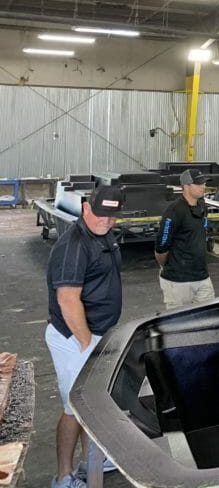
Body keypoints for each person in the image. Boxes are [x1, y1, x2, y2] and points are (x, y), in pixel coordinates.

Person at [45, 185, 125, 488]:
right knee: (74, 409)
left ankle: (90, 459)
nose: (106, 221)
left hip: (95, 336)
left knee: (87, 407)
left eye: (112, 216)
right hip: (74, 339)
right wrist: (86, 342)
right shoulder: (74, 244)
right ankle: (63, 477)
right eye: (101, 214)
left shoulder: (104, 236)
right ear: (86, 207)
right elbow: (67, 300)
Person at [154, 169, 214, 309]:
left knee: (208, 318)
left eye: (204, 183)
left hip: (202, 277)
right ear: (186, 186)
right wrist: (169, 266)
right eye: (198, 184)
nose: (203, 186)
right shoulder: (174, 211)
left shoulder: (202, 206)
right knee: (178, 324)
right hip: (178, 281)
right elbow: (161, 248)